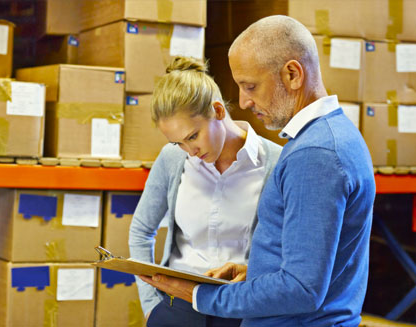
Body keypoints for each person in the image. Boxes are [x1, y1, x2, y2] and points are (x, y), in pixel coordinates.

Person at [139, 15, 376, 327]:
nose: (244, 101)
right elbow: (316, 262)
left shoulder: (314, 154)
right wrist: (256, 271)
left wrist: (200, 296)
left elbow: (302, 288)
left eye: (250, 86)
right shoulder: (330, 136)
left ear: (292, 74)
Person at [128, 56, 282, 327]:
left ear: (219, 111)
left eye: (192, 137)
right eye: (178, 143)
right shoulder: (172, 160)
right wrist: (152, 307)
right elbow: (141, 231)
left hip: (240, 311)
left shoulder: (277, 162)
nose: (191, 152)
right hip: (177, 311)